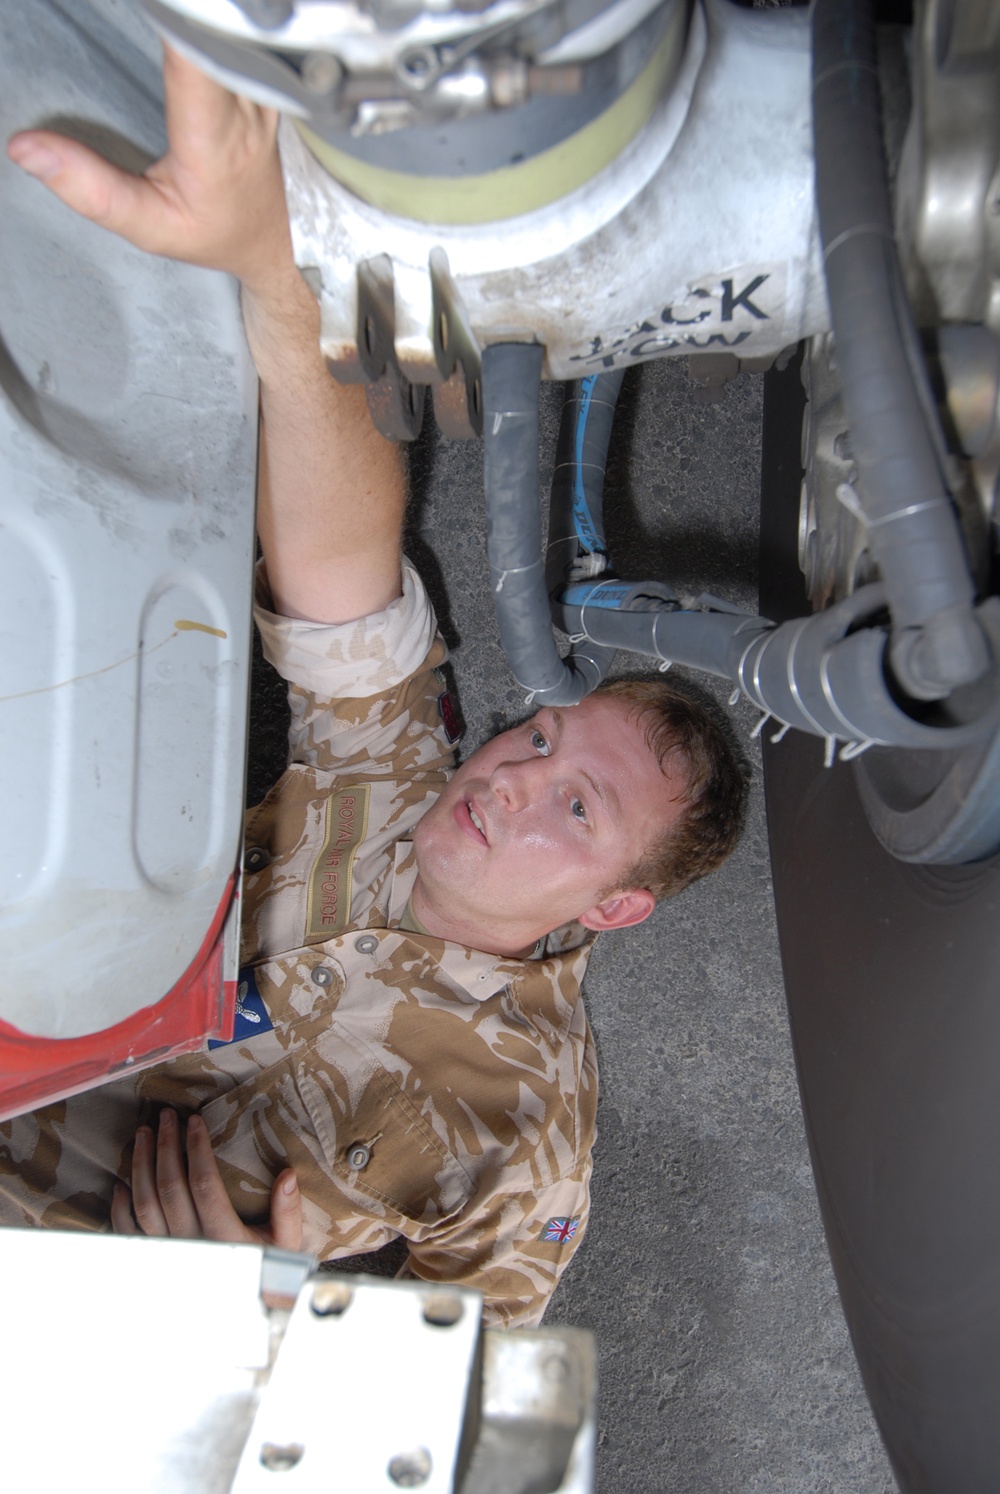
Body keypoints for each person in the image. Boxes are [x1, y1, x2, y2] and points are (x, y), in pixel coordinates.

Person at [0, 47, 745, 1326]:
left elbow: (478, 1386)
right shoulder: (408, 786)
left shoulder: (525, 1126)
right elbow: (347, 575)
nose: (514, 784)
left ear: (615, 907)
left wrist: (276, 1316)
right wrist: (266, 266)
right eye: (541, 739)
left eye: (576, 811)